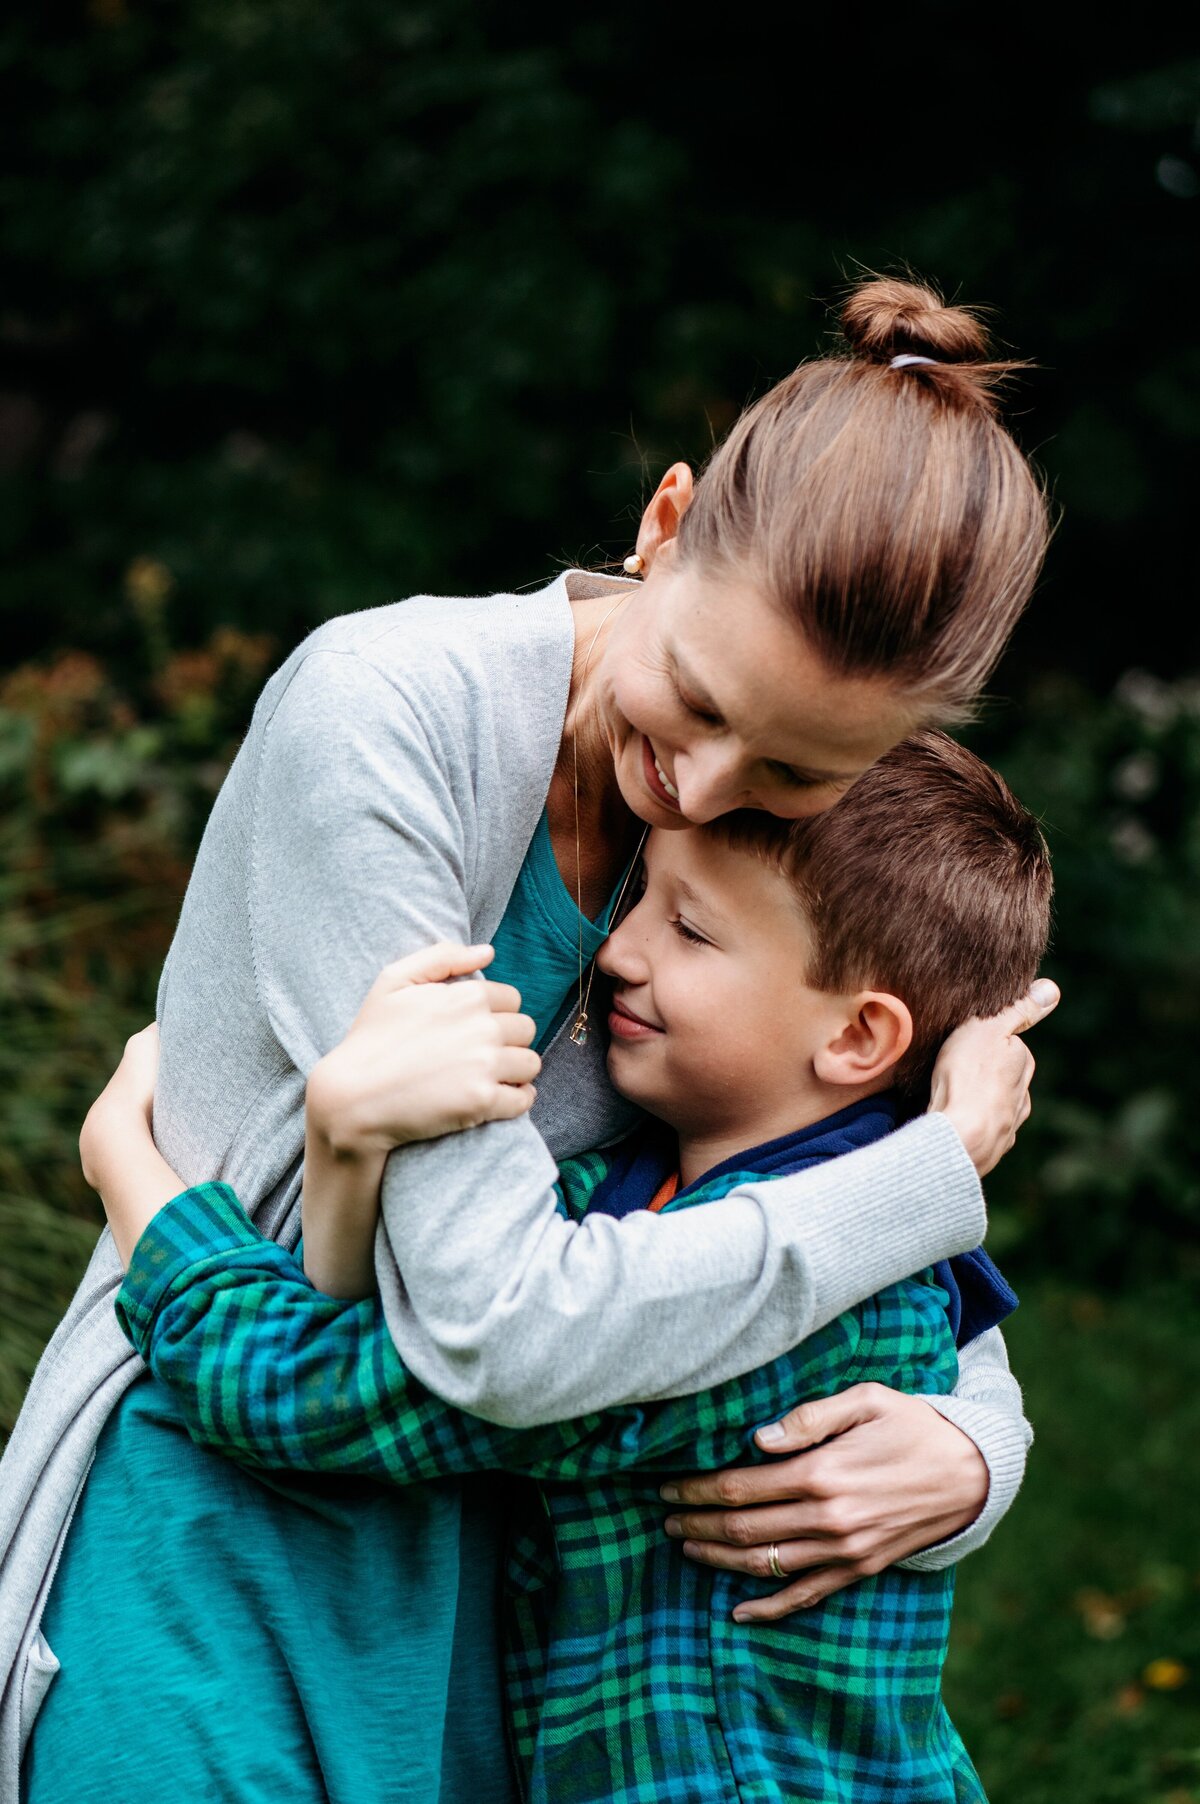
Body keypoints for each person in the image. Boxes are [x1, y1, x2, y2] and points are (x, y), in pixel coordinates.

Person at [2, 277, 1055, 1802]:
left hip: (520, 1607)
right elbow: (495, 1321)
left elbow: (820, 1184)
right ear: (668, 522)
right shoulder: (386, 716)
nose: (698, 791)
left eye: (797, 770)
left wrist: (975, 1448)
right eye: (696, 703)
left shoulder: (773, 839)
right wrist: (942, 1161)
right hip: (226, 1528)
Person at [77, 730, 1052, 1804]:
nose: (621, 950)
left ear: (861, 1037)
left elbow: (313, 1396)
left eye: (688, 928)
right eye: (640, 898)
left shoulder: (787, 1306)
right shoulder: (634, 1200)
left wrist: (132, 1172)